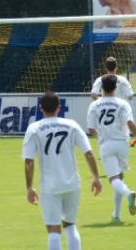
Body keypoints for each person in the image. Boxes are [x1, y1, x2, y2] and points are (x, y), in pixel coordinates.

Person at [22, 91, 102, 250]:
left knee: (53, 229)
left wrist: (29, 187)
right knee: (70, 225)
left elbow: (29, 162)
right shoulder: (71, 125)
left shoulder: (34, 128)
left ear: (40, 108)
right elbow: (89, 153)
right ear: (59, 108)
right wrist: (96, 178)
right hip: (72, 184)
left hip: (49, 186)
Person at [87, 74, 136, 221]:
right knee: (120, 177)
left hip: (106, 144)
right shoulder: (123, 104)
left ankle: (129, 193)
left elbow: (91, 129)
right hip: (123, 143)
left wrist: (101, 137)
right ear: (116, 88)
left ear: (101, 88)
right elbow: (129, 123)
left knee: (113, 179)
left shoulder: (95, 105)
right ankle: (116, 214)